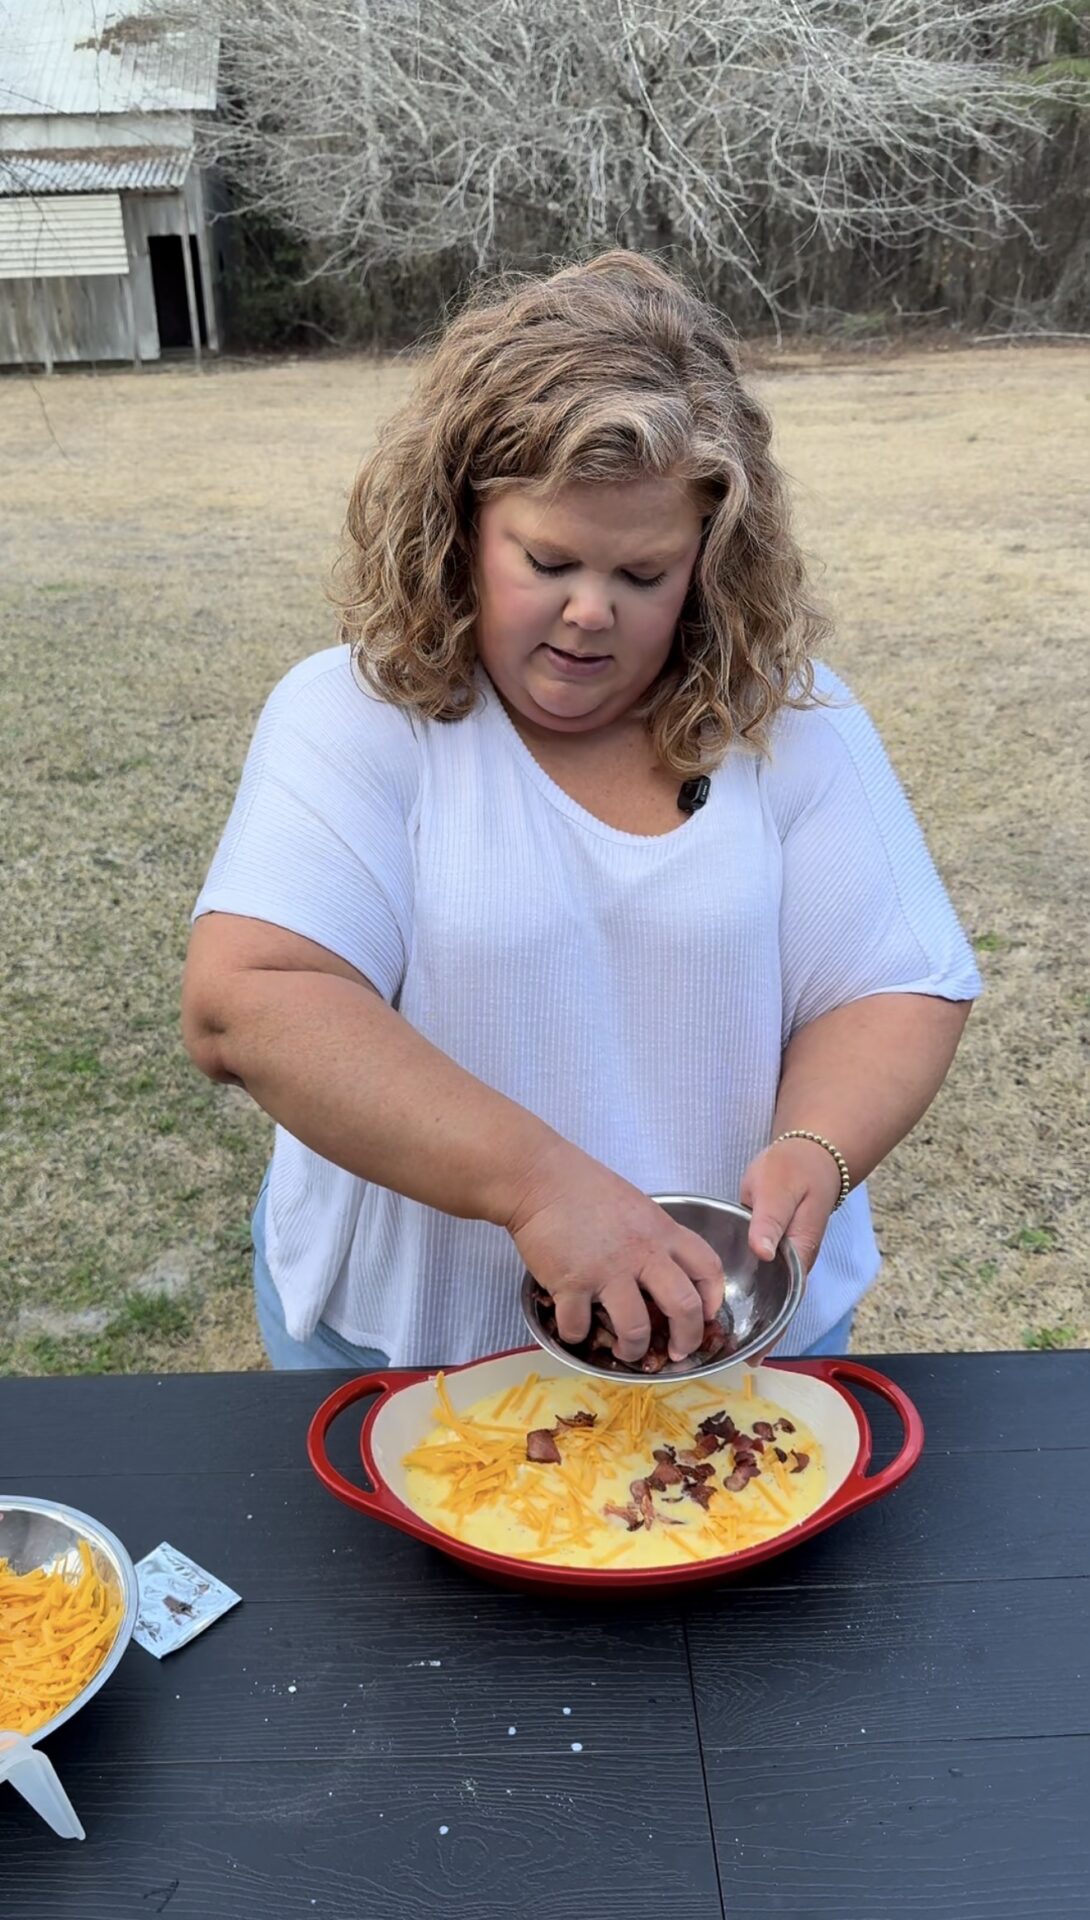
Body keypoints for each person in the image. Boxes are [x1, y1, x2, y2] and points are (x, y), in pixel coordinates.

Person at [181, 250, 981, 1374]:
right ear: (456, 527)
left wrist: (817, 1146)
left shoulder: (794, 721)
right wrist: (541, 1189)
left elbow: (895, 980)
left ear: (709, 561)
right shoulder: (352, 714)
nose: (590, 613)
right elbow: (248, 1001)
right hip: (410, 1348)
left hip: (735, 1338)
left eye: (644, 575)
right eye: (547, 559)